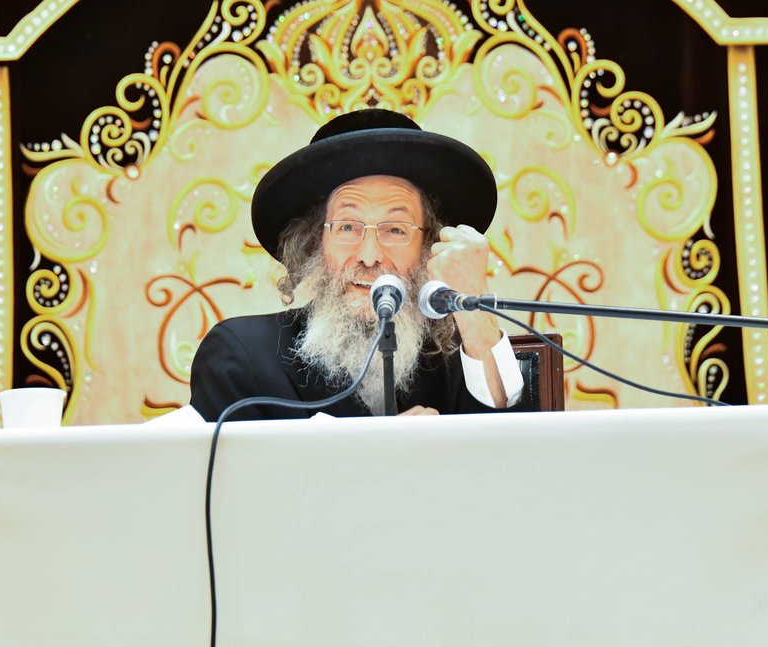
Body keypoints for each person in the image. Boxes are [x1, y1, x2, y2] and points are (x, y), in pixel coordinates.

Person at [188, 108, 524, 421]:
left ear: (429, 248)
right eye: (347, 227)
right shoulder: (242, 356)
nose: (369, 255)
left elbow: (512, 451)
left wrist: (474, 305)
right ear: (314, 242)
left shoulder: (461, 357)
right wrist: (376, 454)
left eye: (396, 230)